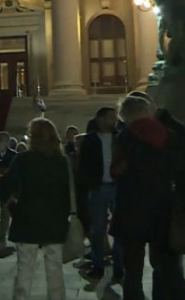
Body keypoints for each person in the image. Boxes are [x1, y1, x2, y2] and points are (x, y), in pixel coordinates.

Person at [111, 95, 185, 299]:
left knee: (132, 270)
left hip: (131, 209)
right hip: (163, 208)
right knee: (167, 266)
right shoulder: (168, 135)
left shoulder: (125, 137)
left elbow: (117, 172)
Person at [0, 117, 71, 300]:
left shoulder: (23, 159)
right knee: (54, 267)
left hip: (27, 217)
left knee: (25, 267)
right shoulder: (62, 162)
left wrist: (13, 207)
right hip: (55, 218)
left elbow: (5, 186)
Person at [78, 106, 124, 281]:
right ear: (100, 119)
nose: (115, 120)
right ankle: (98, 265)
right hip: (98, 188)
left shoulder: (120, 138)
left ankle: (119, 267)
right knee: (97, 230)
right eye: (111, 117)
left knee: (120, 229)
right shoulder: (90, 140)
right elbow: (83, 166)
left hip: (117, 187)